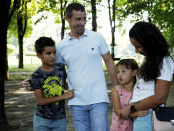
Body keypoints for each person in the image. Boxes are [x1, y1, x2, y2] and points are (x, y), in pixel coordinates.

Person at [23, 2, 118, 131]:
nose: (82, 23)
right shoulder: (61, 46)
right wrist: (33, 81)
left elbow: (109, 61)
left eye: (84, 19)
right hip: (76, 100)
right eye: (78, 19)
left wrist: (118, 87)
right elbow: (51, 71)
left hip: (98, 98)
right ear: (68, 19)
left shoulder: (97, 37)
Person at [119, 21, 174, 131]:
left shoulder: (164, 61)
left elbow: (160, 98)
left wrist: (131, 107)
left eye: (138, 46)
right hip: (141, 114)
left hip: (148, 115)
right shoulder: (149, 59)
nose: (136, 51)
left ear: (149, 42)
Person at [31, 37, 75, 131]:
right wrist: (64, 96)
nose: (53, 56)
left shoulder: (61, 68)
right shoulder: (36, 75)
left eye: (54, 52)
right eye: (48, 53)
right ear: (39, 55)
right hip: (42, 120)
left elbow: (64, 84)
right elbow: (41, 101)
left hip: (60, 119)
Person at [110, 59, 148, 131]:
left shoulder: (138, 90)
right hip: (118, 128)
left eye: (123, 71)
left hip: (134, 127)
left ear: (134, 72)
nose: (120, 74)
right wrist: (133, 115)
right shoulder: (116, 90)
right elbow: (117, 111)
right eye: (118, 72)